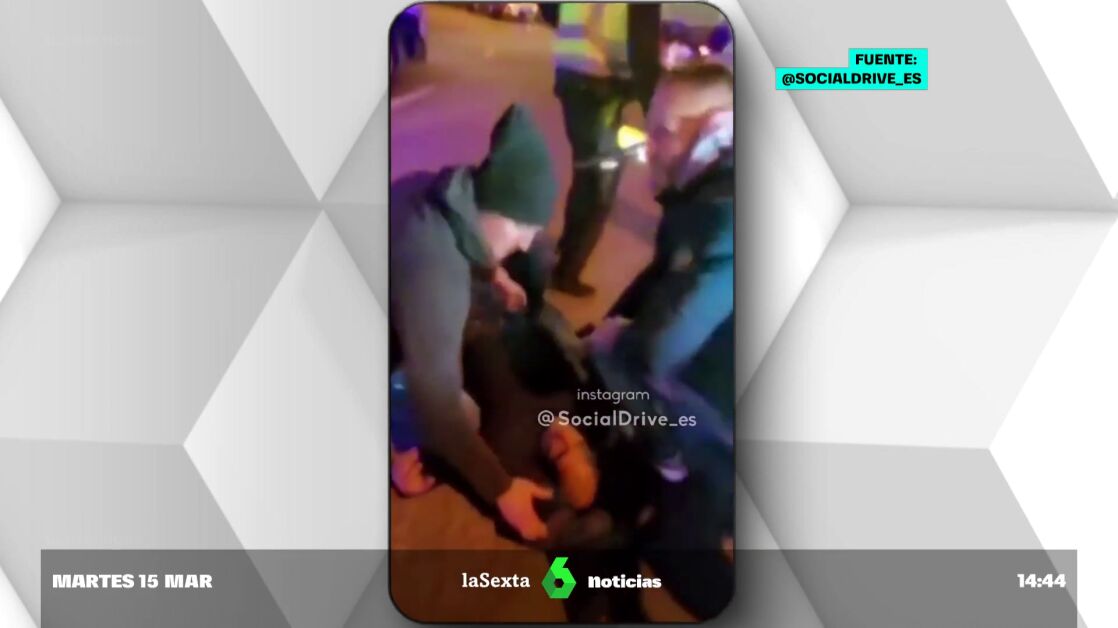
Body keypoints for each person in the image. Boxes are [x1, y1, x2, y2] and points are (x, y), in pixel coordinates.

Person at [389, 103, 592, 542]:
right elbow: (437, 402)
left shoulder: (442, 191)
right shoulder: (434, 271)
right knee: (451, 411)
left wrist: (492, 271)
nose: (525, 243)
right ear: (498, 209)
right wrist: (501, 490)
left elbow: (471, 235)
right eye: (522, 228)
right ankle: (399, 446)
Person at [589, 62, 736, 619]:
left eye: (662, 133)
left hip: (720, 424)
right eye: (645, 129)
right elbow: (661, 282)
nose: (646, 148)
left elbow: (659, 350)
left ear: (716, 129)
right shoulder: (702, 198)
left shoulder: (724, 212)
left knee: (676, 543)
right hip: (708, 402)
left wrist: (610, 346)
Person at [550, 2, 661, 296]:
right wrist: (653, 109)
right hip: (600, 83)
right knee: (600, 185)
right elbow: (643, 46)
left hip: (570, 73)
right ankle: (567, 271)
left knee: (586, 171)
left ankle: (566, 248)